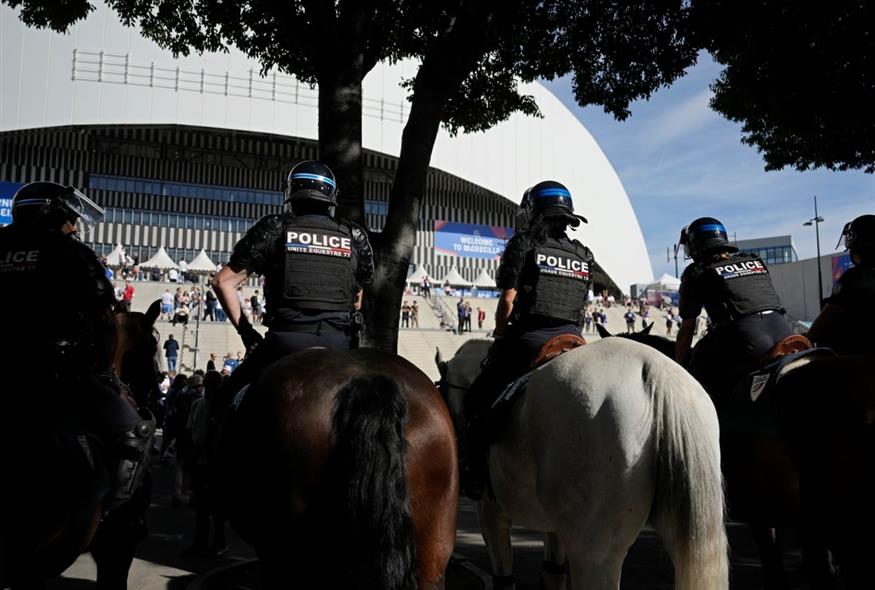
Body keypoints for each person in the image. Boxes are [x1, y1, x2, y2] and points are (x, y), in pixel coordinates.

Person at [0, 181, 150, 507]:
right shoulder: (70, 251)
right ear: (53, 215)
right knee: (134, 430)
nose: (74, 224)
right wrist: (106, 370)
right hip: (56, 372)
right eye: (70, 216)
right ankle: (113, 512)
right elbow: (106, 317)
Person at [461, 180, 593, 499]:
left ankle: (474, 473)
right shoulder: (584, 254)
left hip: (530, 340)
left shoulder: (523, 244)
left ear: (535, 213)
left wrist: (501, 333)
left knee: (477, 398)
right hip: (574, 340)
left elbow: (508, 299)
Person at [212, 161, 374, 404]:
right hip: (338, 344)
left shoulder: (274, 228)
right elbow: (357, 302)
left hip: (284, 343)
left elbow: (222, 282)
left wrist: (247, 333)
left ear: (291, 194)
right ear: (331, 197)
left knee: (221, 403)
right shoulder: (354, 236)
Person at [675, 217, 792, 402]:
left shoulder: (696, 272)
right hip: (785, 331)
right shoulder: (754, 261)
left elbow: (687, 328)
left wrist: (678, 366)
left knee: (695, 374)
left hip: (746, 338)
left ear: (694, 244)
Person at [808, 214, 875, 355]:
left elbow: (822, 326)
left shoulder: (855, 277)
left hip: (859, 364)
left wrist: (804, 338)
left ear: (858, 249)